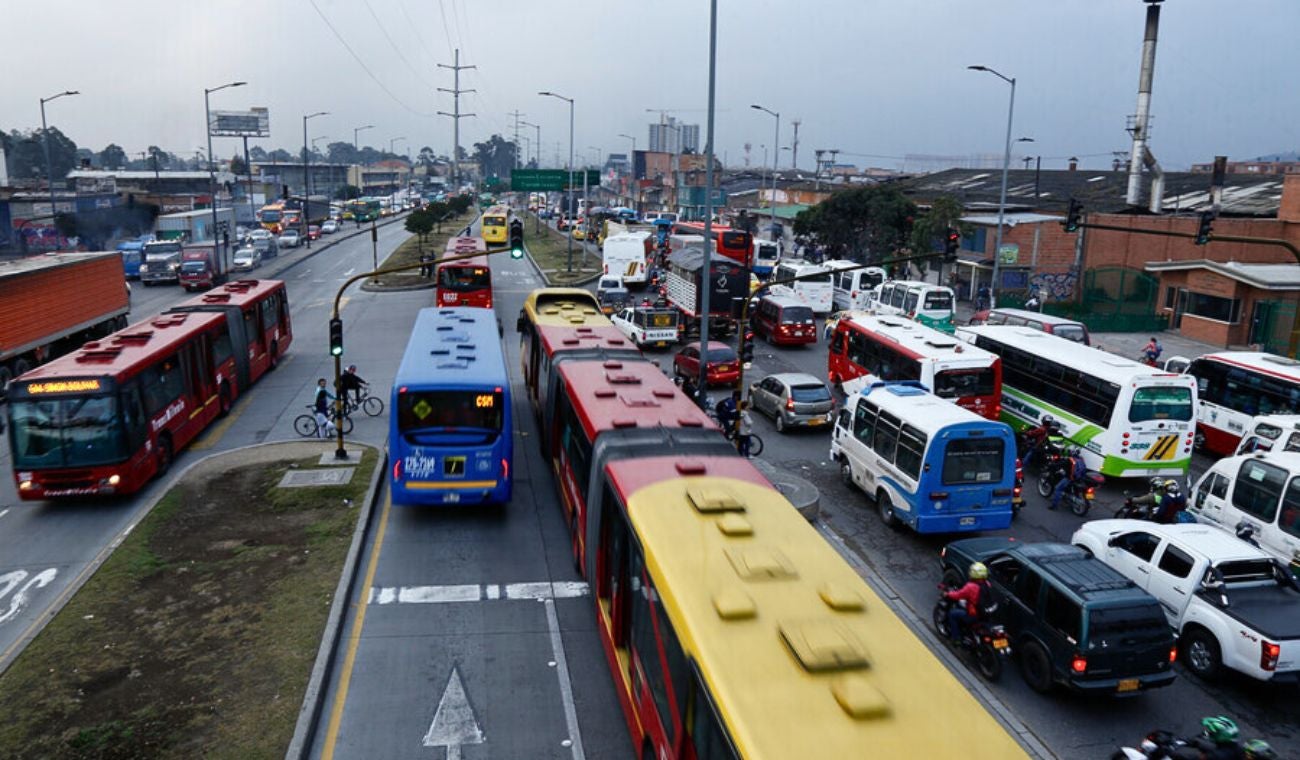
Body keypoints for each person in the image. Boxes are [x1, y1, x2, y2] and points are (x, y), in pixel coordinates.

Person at [944, 562, 992, 642]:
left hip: (974, 615)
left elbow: (958, 595)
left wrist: (948, 594)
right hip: (985, 614)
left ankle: (956, 639)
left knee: (952, 614)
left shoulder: (971, 587)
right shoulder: (987, 584)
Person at [1168, 716, 1245, 760]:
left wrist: (1170, 754)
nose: (1209, 733)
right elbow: (1211, 748)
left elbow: (1193, 758)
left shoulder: (1216, 756)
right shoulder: (1235, 748)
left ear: (1221, 736)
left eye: (1212, 732)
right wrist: (1193, 742)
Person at [1050, 445, 1088, 511]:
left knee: (1058, 489)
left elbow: (1060, 464)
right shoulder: (1081, 458)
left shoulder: (1070, 460)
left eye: (1069, 451)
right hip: (1079, 478)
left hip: (1070, 478)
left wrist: (1053, 464)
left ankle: (1054, 505)